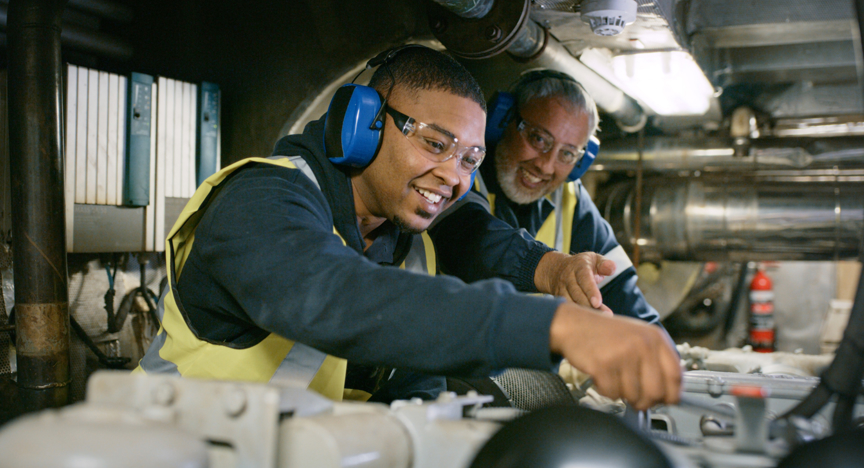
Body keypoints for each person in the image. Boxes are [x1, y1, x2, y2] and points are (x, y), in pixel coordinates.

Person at [135, 46, 679, 411]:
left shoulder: (412, 245)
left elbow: (414, 388)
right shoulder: (261, 201)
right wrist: (556, 326)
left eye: (470, 158)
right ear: (364, 124)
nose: (454, 177)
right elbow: (339, 298)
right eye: (435, 144)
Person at [429, 69, 660, 325]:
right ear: (502, 119)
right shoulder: (459, 172)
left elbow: (622, 296)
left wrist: (658, 347)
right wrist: (553, 269)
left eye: (567, 154)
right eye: (538, 138)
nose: (546, 166)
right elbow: (470, 242)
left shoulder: (571, 198)